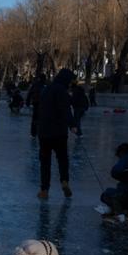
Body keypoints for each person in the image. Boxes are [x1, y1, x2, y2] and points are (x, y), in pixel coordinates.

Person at [37, 69, 76, 199]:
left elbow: (39, 109)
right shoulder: (62, 91)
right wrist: (72, 125)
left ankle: (44, 190)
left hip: (44, 132)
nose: (71, 84)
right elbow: (65, 109)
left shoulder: (46, 90)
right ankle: (64, 181)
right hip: (59, 132)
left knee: (45, 162)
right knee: (62, 159)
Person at [26, 74, 47, 138]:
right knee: (40, 118)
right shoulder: (44, 85)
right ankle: (37, 132)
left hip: (37, 103)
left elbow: (30, 93)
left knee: (35, 118)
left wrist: (28, 101)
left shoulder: (35, 85)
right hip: (41, 103)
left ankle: (34, 133)